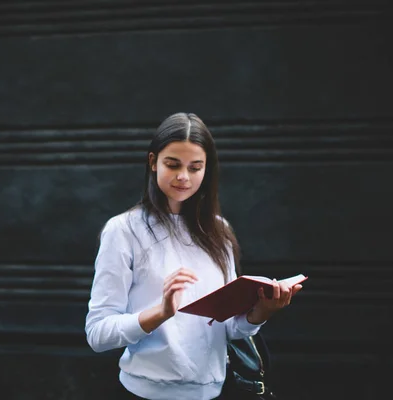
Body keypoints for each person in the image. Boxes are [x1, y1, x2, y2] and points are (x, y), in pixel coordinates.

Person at [85, 112, 303, 400]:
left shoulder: (217, 230)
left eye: (195, 167)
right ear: (153, 162)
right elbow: (98, 334)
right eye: (172, 164)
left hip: (213, 393)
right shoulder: (124, 230)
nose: (183, 177)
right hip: (145, 393)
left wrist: (262, 312)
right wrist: (160, 313)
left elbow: (227, 329)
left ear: (206, 169)